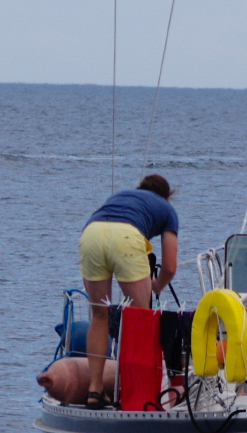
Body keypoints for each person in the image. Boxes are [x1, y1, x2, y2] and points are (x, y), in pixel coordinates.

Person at [75, 174, 178, 407]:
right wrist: (157, 285)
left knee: (100, 314)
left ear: (140, 188)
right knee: (141, 317)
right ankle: (134, 391)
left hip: (91, 233)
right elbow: (170, 267)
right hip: (125, 237)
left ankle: (95, 389)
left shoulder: (122, 196)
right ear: (167, 197)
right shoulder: (167, 209)